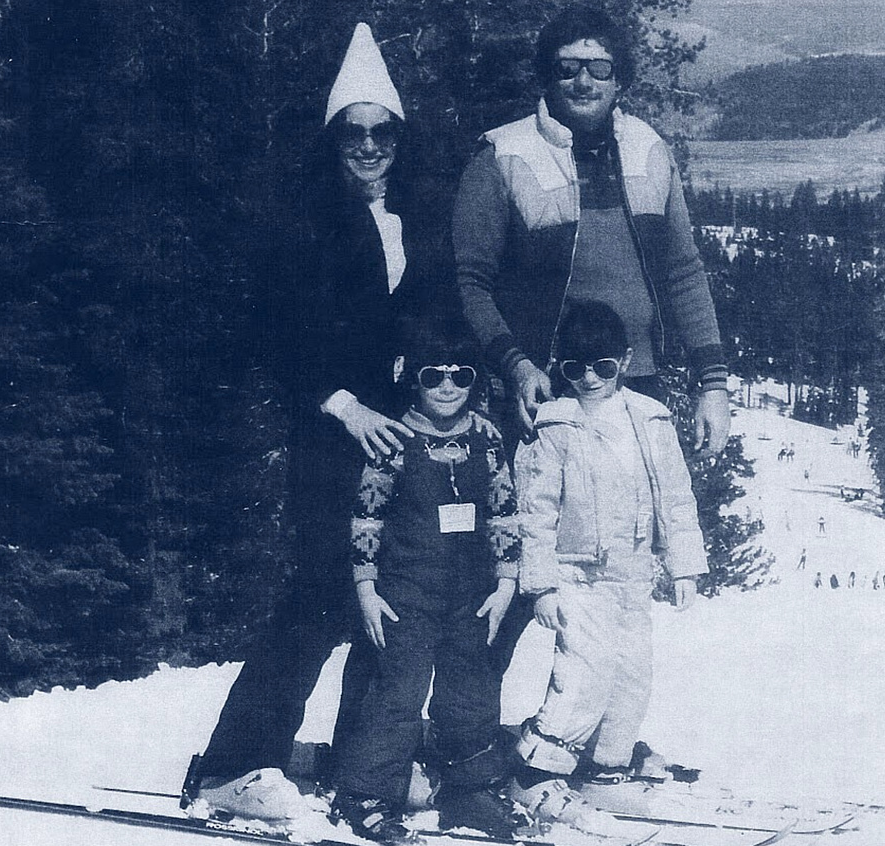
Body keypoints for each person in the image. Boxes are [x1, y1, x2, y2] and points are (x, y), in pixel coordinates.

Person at [180, 24, 458, 819]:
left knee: (387, 596)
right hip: (335, 433)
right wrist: (344, 403)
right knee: (322, 594)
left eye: (382, 132)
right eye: (353, 133)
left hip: (398, 434)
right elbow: (275, 331)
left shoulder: (411, 215)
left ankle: (363, 763)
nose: (368, 147)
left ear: (400, 138)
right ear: (332, 140)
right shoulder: (306, 221)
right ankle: (231, 767)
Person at [452, 3, 730, 456]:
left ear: (619, 80)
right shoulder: (503, 155)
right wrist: (516, 366)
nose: (585, 82)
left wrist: (713, 385)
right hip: (543, 387)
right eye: (568, 68)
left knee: (638, 523)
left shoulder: (650, 150)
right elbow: (470, 283)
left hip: (638, 385)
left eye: (600, 69)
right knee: (543, 522)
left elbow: (685, 273)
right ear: (547, 75)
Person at [509, 301, 707, 823]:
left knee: (631, 672)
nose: (590, 379)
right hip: (577, 572)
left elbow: (676, 496)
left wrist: (684, 563)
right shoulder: (555, 425)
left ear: (624, 359)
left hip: (633, 571)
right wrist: (542, 584)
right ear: (560, 367)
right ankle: (537, 771)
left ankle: (604, 767)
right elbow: (535, 511)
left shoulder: (650, 418)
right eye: (575, 368)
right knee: (584, 670)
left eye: (603, 366)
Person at [331, 321, 524, 842]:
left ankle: (467, 790)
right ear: (411, 378)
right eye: (433, 375)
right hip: (404, 593)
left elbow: (505, 513)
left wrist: (506, 582)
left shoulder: (486, 438)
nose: (447, 387)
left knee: (472, 689)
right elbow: (366, 518)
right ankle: (364, 792)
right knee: (400, 689)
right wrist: (366, 588)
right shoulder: (394, 438)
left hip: (471, 592)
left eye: (461, 376)